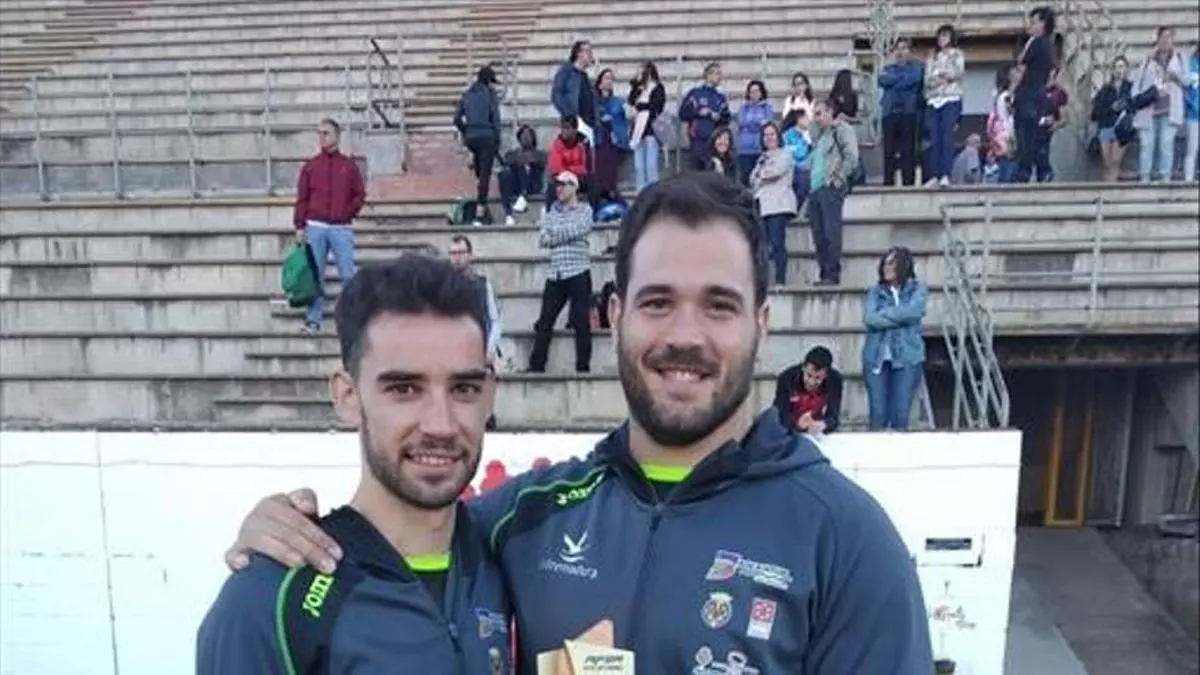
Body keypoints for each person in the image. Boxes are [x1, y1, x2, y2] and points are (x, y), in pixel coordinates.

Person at [223, 172, 935, 672]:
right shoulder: (524, 518)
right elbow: (404, 530)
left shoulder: (847, 541)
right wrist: (283, 529)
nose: (685, 335)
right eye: (657, 302)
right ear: (616, 314)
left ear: (762, 322)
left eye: (719, 305)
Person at [197, 255, 512, 674]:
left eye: (464, 388)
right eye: (405, 389)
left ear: (489, 396)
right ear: (347, 396)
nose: (441, 424)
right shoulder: (269, 600)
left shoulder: (515, 553)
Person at [293, 117, 365, 334]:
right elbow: (302, 198)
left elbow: (359, 194)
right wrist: (299, 225)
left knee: (348, 275)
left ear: (337, 136)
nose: (322, 137)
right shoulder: (311, 167)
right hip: (316, 225)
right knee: (315, 276)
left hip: (341, 227)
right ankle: (313, 320)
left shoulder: (349, 166)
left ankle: (353, 320)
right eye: (319, 133)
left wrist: (347, 213)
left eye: (326, 133)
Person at [528, 170, 593, 374]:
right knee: (544, 322)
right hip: (555, 274)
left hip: (578, 271)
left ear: (574, 187)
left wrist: (555, 234)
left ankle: (583, 368)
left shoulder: (585, 210)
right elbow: (543, 240)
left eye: (563, 184)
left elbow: (580, 229)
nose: (559, 189)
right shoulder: (551, 213)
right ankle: (536, 366)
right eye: (557, 185)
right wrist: (566, 234)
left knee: (581, 323)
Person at [862, 246, 928, 431]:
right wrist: (901, 318)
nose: (886, 267)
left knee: (900, 414)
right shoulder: (875, 292)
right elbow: (870, 319)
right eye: (885, 263)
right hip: (876, 358)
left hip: (908, 358)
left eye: (891, 263)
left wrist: (885, 315)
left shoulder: (918, 289)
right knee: (878, 413)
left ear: (903, 265)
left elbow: (914, 312)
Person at [808, 99, 858, 286]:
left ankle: (832, 273)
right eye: (814, 114)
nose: (816, 118)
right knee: (818, 235)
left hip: (830, 187)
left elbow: (851, 157)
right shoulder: (819, 136)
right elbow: (811, 131)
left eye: (819, 113)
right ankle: (824, 273)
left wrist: (838, 179)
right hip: (815, 188)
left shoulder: (842, 130)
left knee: (831, 232)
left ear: (830, 112)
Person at [1132, 27, 1187, 182]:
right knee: (1147, 145)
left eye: (1169, 37)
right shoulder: (1148, 60)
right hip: (1148, 109)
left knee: (1166, 144)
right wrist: (1137, 100)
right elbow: (1137, 83)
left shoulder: (1179, 59)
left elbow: (1187, 81)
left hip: (1170, 109)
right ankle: (1145, 178)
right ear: (1157, 39)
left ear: (1173, 40)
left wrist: (1176, 77)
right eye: (1163, 37)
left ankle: (1165, 179)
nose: (1165, 40)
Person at [1013, 7, 1058, 184]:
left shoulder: (1035, 42)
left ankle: (1024, 173)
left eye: (1033, 22)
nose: (1030, 26)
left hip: (1028, 94)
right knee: (1035, 134)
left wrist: (1011, 92)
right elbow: (1052, 72)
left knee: (1024, 135)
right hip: (1039, 94)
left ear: (1043, 24)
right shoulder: (1049, 45)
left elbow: (1022, 68)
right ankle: (1043, 170)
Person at [454, 65, 503, 226]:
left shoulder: (467, 94)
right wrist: (497, 139)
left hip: (471, 138)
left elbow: (456, 119)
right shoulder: (490, 94)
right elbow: (495, 118)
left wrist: (466, 130)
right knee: (485, 174)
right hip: (487, 136)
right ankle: (480, 211)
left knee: (480, 167)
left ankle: (481, 198)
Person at [749, 121, 796, 287]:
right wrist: (762, 176)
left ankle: (780, 280)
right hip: (762, 205)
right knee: (762, 247)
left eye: (772, 134)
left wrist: (762, 176)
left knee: (777, 243)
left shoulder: (785, 154)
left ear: (778, 136)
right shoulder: (762, 158)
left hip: (778, 205)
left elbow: (776, 172)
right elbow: (752, 179)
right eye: (765, 135)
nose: (769, 138)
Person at [447, 234, 503, 369]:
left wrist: (491, 347)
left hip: (478, 351)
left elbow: (495, 320)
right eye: (453, 253)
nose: (457, 257)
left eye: (461, 252)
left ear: (470, 255)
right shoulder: (442, 286)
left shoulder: (483, 285)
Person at [878, 37, 924, 187]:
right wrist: (902, 79)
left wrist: (894, 82)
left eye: (904, 48)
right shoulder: (888, 69)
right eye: (897, 48)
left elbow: (914, 79)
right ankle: (888, 183)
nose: (900, 52)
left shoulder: (916, 68)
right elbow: (882, 80)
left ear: (909, 51)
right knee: (888, 150)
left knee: (907, 150)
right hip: (889, 112)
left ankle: (908, 183)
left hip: (908, 112)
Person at [923, 25, 965, 187]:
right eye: (940, 36)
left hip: (951, 98)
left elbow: (958, 73)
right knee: (934, 138)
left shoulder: (957, 54)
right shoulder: (933, 56)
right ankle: (934, 174)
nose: (942, 39)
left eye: (946, 36)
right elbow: (927, 80)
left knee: (947, 137)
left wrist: (943, 75)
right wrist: (941, 78)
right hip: (934, 99)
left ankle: (946, 174)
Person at [773, 346, 843, 435]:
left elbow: (834, 416)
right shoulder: (787, 379)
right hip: (788, 431)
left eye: (818, 378)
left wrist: (824, 424)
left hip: (816, 430)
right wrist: (796, 423)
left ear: (826, 375)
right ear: (803, 368)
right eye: (809, 375)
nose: (811, 382)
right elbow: (779, 413)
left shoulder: (835, 381)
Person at [679, 62, 731, 170]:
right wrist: (699, 112)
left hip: (715, 144)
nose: (720, 77)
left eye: (720, 74)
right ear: (708, 75)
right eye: (717, 73)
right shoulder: (695, 93)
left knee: (714, 172)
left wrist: (717, 116)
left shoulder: (721, 97)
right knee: (697, 174)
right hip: (697, 141)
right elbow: (682, 114)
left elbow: (726, 119)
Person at [1091, 56, 1134, 183]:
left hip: (1122, 127)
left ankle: (1112, 188)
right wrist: (1111, 108)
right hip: (1106, 126)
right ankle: (1109, 186)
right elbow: (1095, 112)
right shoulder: (1105, 89)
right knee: (1107, 162)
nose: (1118, 70)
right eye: (1116, 67)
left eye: (1121, 66)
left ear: (1126, 69)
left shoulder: (1130, 88)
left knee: (1115, 160)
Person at [627, 61, 666, 192]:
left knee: (651, 166)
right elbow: (631, 101)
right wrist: (636, 85)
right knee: (639, 167)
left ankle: (653, 194)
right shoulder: (639, 89)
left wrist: (641, 106)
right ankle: (640, 192)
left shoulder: (657, 88)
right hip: (638, 131)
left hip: (651, 130)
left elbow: (656, 107)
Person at [593, 68, 630, 202]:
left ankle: (610, 192)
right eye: (606, 78)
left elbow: (620, 120)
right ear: (600, 82)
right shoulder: (594, 101)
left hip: (612, 139)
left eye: (611, 79)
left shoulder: (616, 102)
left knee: (610, 169)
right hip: (598, 138)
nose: (609, 81)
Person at [497, 125, 545, 226]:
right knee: (504, 173)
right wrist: (519, 159)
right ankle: (509, 215)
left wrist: (526, 159)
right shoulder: (511, 154)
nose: (526, 137)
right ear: (519, 138)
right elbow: (507, 162)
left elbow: (541, 163)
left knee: (521, 164)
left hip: (532, 186)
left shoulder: (540, 154)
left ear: (533, 138)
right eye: (523, 134)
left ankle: (523, 195)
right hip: (515, 186)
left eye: (528, 134)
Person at [551, 40, 596, 143]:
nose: (591, 55)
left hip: (589, 124)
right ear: (579, 53)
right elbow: (556, 95)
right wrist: (570, 116)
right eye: (588, 52)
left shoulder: (584, 76)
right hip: (576, 123)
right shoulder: (566, 71)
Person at [546, 115, 592, 210]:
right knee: (551, 187)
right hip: (562, 179)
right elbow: (555, 168)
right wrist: (569, 172)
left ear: (575, 130)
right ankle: (549, 213)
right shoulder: (557, 143)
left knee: (593, 183)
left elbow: (585, 167)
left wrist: (569, 169)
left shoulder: (584, 142)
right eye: (562, 128)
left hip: (579, 179)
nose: (564, 131)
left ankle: (595, 212)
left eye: (567, 128)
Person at [735, 79, 776, 187]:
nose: (754, 94)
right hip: (745, 149)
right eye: (752, 91)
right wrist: (758, 123)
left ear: (762, 92)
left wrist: (750, 124)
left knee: (761, 180)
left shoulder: (767, 108)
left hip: (761, 148)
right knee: (746, 180)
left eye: (757, 91)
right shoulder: (744, 108)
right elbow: (741, 122)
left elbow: (768, 124)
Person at [1033, 66, 1069, 182]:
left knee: (1044, 160)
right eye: (1061, 75)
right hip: (1033, 130)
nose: (1063, 79)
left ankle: (1046, 175)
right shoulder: (1038, 91)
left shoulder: (1060, 94)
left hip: (1046, 134)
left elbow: (1064, 118)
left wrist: (1054, 125)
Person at [782, 109, 813, 212]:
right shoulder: (787, 136)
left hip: (809, 168)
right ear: (799, 119)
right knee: (802, 180)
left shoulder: (810, 135)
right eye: (806, 117)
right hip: (792, 168)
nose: (809, 120)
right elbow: (794, 154)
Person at [1184, 45, 1199, 182]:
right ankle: (1188, 179)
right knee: (1191, 148)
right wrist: (1190, 103)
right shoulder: (1190, 64)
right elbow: (1184, 88)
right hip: (1193, 114)